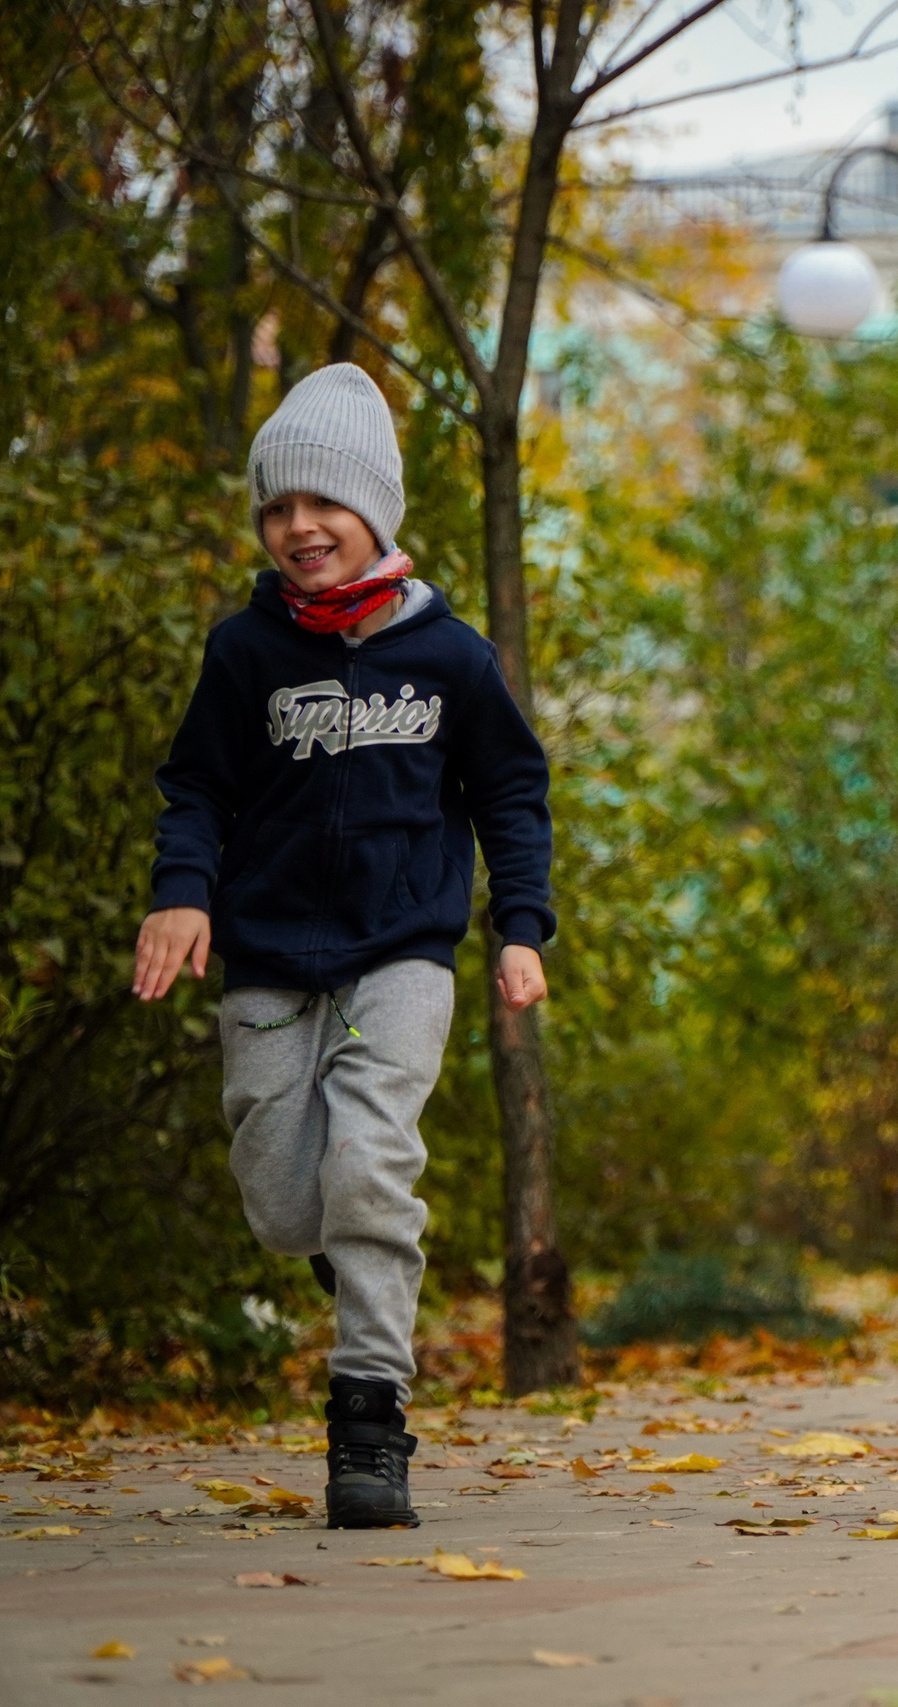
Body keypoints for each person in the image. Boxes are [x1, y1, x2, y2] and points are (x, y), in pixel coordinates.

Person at [132, 363, 556, 1528]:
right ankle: (356, 1246)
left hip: (403, 949)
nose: (300, 525)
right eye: (278, 507)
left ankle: (370, 1429)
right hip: (268, 952)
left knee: (369, 1163)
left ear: (375, 509)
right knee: (283, 1204)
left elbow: (511, 793)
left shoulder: (450, 656)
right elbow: (196, 788)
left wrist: (519, 927)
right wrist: (183, 896)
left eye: (324, 501)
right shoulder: (245, 652)